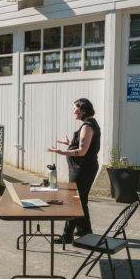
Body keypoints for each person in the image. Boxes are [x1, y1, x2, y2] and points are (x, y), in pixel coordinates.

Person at [47, 98, 101, 244]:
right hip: (82, 168)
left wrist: (62, 152)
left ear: (82, 110)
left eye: (75, 109)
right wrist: (70, 143)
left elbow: (83, 151)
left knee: (73, 200)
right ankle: (85, 230)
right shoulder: (89, 125)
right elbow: (83, 145)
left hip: (83, 169)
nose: (73, 112)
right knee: (81, 200)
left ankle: (67, 236)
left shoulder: (87, 126)